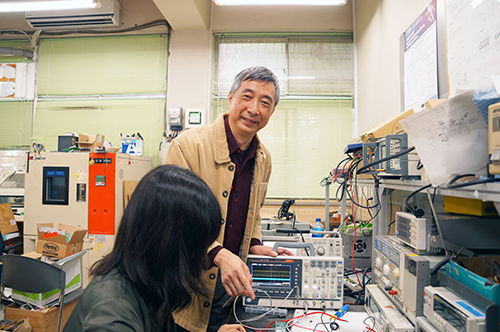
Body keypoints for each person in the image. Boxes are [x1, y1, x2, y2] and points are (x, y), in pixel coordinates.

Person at [165, 66, 293, 332]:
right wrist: (219, 254)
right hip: (184, 289)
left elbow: (253, 212)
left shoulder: (264, 159)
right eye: (247, 96)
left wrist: (255, 244)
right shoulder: (188, 146)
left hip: (227, 293)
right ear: (231, 98)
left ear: (271, 112)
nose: (254, 109)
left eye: (265, 102)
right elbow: (173, 220)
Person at [63, 165, 246, 332]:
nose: (200, 260)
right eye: (198, 246)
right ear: (170, 245)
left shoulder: (147, 285)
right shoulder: (112, 313)